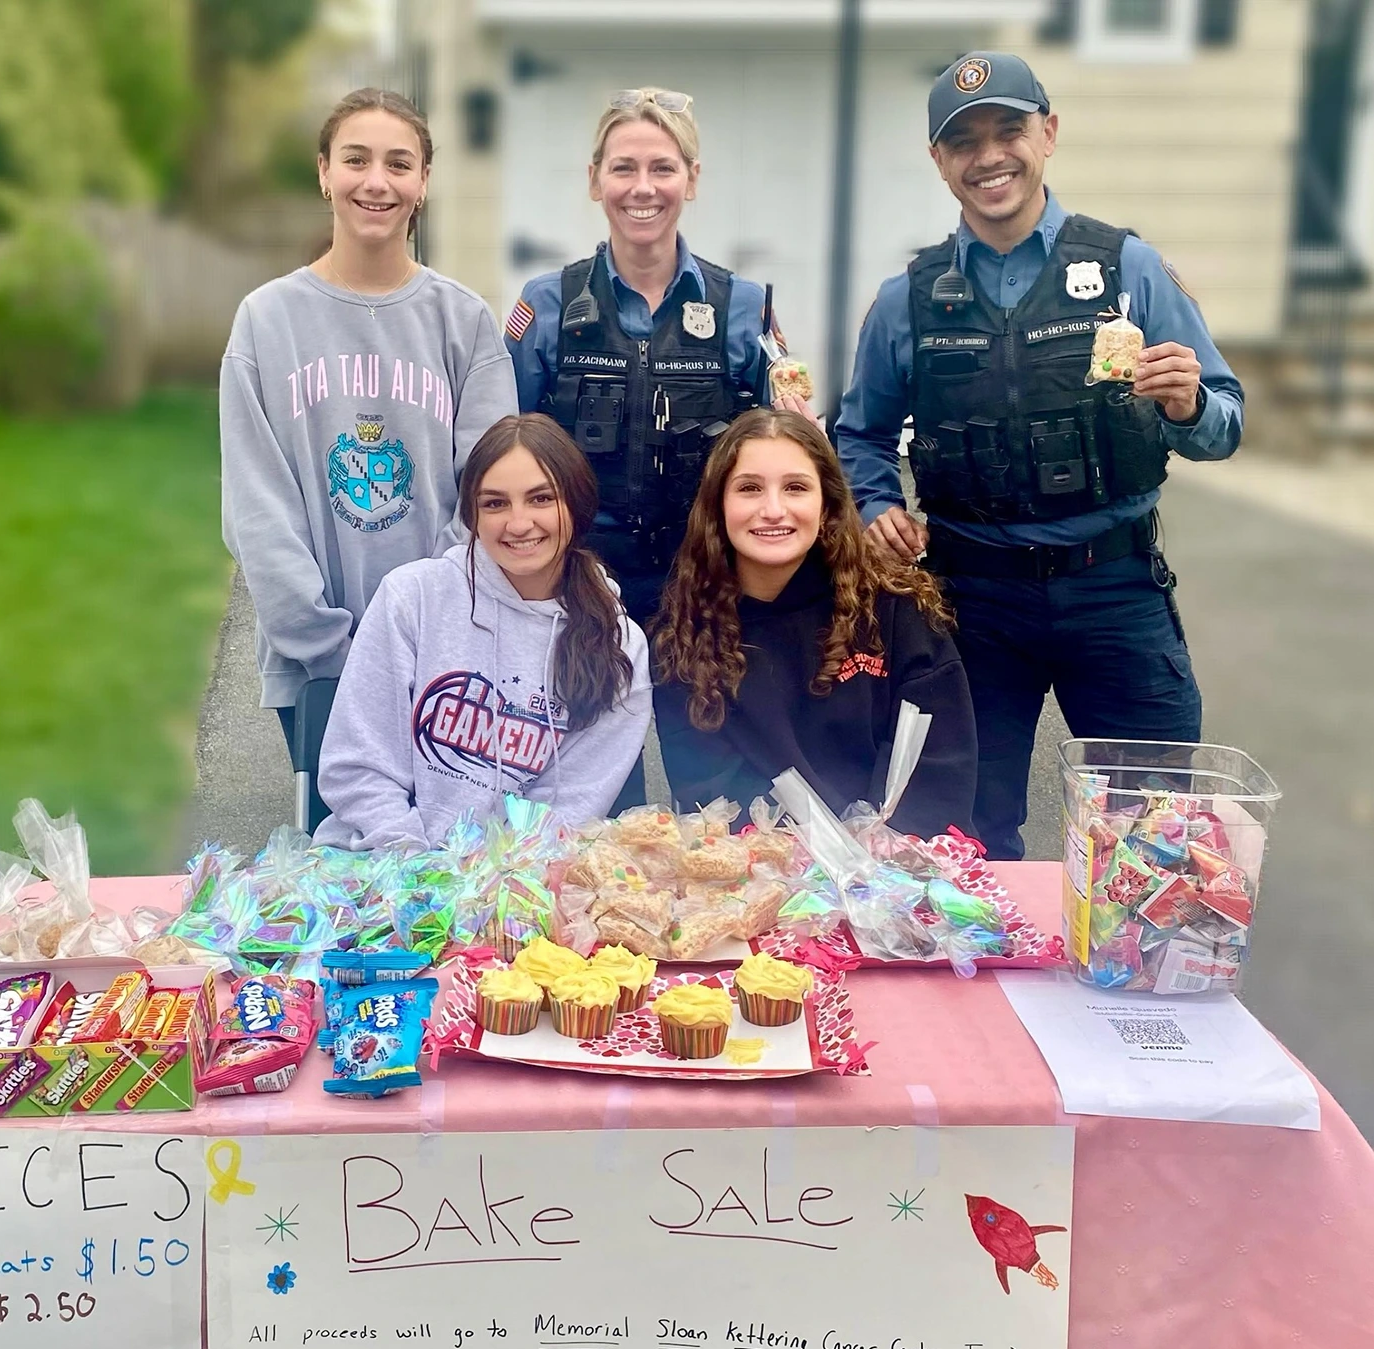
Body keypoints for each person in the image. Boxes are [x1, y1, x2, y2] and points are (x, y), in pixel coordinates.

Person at [836, 52, 1244, 860]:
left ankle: (1130, 943)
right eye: (964, 141)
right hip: (971, 598)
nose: (988, 156)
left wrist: (1187, 403)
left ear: (1048, 133)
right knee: (961, 835)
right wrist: (876, 504)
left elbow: (1225, 421)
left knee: (1148, 835)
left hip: (1114, 588)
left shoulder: (1127, 268)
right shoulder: (905, 301)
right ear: (938, 161)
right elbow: (859, 432)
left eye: (1008, 131)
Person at [221, 88, 517, 758]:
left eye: (398, 164)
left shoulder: (464, 322)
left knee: (450, 826)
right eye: (356, 160)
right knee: (333, 825)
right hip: (315, 667)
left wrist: (428, 630)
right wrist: (326, 645)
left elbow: (490, 493)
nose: (376, 181)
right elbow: (256, 508)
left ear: (423, 182)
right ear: (324, 172)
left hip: (447, 658)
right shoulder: (266, 321)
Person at [505, 86, 807, 629]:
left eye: (663, 168)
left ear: (691, 179)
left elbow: (787, 445)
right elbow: (506, 443)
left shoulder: (743, 306)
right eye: (623, 168)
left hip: (703, 579)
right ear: (595, 180)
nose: (642, 188)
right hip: (574, 577)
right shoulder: (547, 303)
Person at [312, 414, 652, 851]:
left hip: (519, 876)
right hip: (381, 860)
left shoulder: (619, 643)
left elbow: (570, 807)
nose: (518, 523)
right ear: (471, 515)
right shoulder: (413, 597)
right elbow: (359, 767)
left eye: (541, 499)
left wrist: (487, 882)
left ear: (576, 504)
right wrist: (419, 870)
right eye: (495, 504)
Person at [652, 411, 977, 839]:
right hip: (764, 865)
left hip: (900, 861)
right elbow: (710, 793)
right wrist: (803, 863)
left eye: (796, 488)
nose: (773, 510)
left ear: (826, 506)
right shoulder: (685, 634)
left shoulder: (898, 610)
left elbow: (939, 767)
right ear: (718, 506)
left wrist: (877, 858)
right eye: (749, 488)